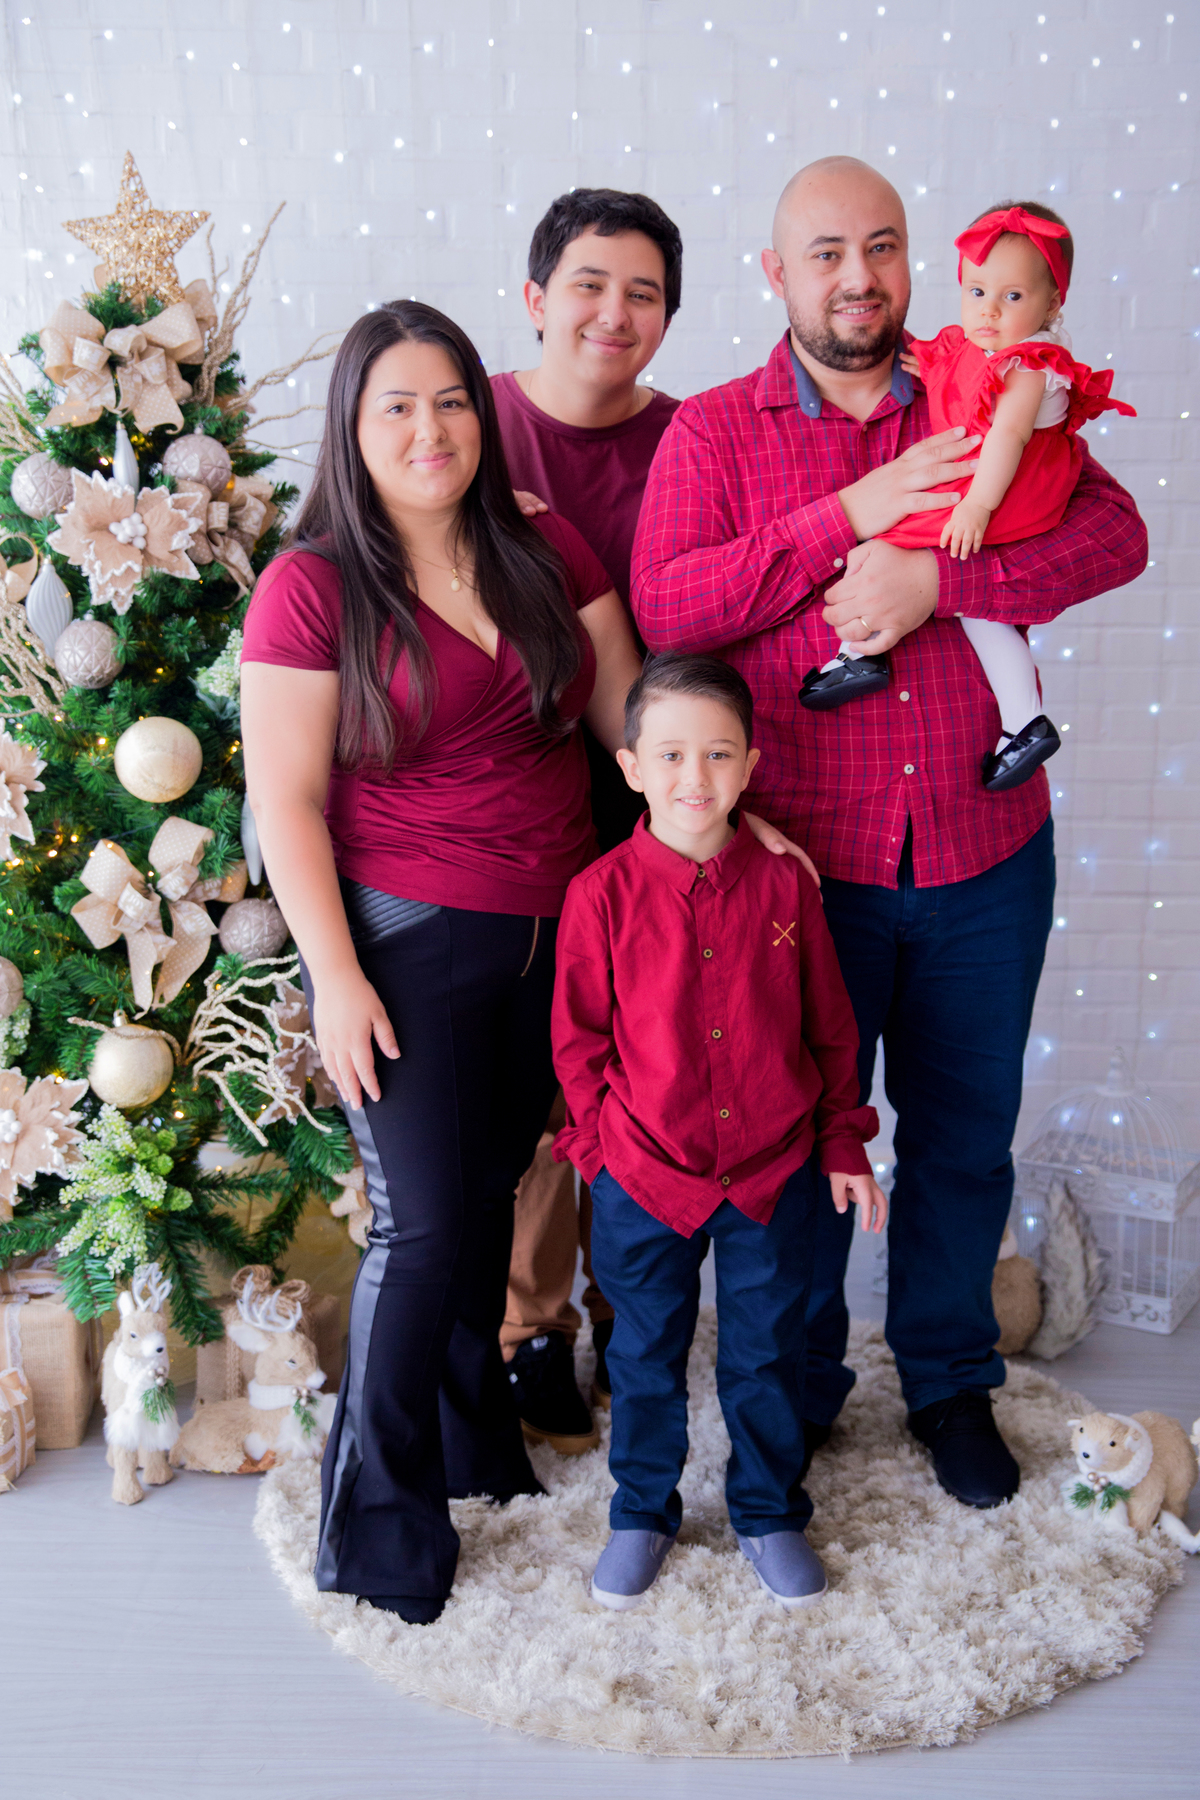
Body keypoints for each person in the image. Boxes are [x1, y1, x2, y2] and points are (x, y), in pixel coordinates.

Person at [632, 157, 1148, 1513]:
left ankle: (948, 1377)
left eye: (883, 248)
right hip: (809, 872)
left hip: (986, 846)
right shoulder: (718, 433)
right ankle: (794, 1385)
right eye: (825, 254)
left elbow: (1117, 538)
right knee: (804, 1148)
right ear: (775, 275)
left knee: (967, 1135)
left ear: (914, 261)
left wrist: (941, 575)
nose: (857, 277)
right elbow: (672, 609)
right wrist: (844, 521)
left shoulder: (985, 385)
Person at [239, 299, 644, 1625]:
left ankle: (476, 1446)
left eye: (452, 399)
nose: (430, 428)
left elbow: (627, 719)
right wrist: (338, 978)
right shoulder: (314, 587)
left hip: (553, 936)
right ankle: (375, 1527)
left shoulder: (541, 548)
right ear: (354, 432)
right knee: (419, 1232)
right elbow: (284, 803)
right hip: (403, 945)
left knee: (481, 1211)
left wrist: (724, 813)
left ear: (485, 408)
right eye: (396, 406)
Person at [493, 188, 817, 1456]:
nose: (613, 313)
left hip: (669, 810)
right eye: (588, 284)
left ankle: (658, 1335)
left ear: (672, 317)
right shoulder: (471, 428)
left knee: (677, 1065)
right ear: (535, 298)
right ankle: (532, 1335)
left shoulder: (695, 439)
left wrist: (738, 812)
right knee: (547, 1085)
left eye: (643, 294)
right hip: (521, 807)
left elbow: (735, 634)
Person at [552, 653, 885, 1611]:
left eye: (718, 756)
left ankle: (770, 1510)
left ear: (748, 768)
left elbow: (829, 1026)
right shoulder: (600, 895)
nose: (694, 779)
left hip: (772, 1175)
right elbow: (576, 1043)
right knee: (643, 1352)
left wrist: (844, 1142)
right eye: (672, 756)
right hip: (643, 1176)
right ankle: (641, 1512)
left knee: (766, 1352)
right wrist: (598, 1155)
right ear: (632, 768)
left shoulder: (787, 889)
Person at [800, 200, 1135, 795]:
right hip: (1000, 486)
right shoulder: (988, 352)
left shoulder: (1031, 364)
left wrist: (976, 507)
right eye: (976, 291)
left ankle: (860, 651)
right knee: (984, 611)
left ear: (1051, 304)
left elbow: (1005, 434)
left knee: (881, 541)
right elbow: (965, 379)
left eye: (1012, 298)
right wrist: (929, 364)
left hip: (1004, 493)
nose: (989, 311)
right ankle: (1023, 723)